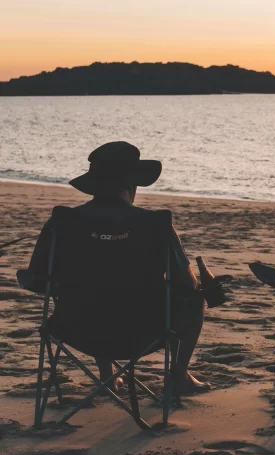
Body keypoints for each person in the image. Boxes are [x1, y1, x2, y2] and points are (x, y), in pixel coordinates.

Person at [21, 141, 209, 394]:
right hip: (144, 329)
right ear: (132, 185)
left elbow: (37, 281)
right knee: (195, 301)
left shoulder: (62, 223)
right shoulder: (155, 225)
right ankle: (179, 374)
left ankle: (107, 375)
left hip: (76, 328)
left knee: (93, 292)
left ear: (95, 186)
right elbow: (186, 284)